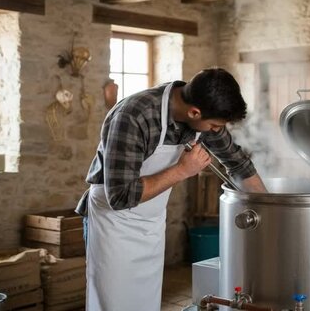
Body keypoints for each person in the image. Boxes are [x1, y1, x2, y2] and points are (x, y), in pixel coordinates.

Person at [76, 67, 267, 311]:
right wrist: (181, 171)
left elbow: (238, 163)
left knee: (145, 303)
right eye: (215, 126)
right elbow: (120, 196)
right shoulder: (134, 116)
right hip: (114, 223)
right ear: (194, 112)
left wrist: (270, 209)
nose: (216, 131)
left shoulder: (202, 114)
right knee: (114, 304)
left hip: (150, 222)